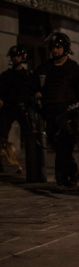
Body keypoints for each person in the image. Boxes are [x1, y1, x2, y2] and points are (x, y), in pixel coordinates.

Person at [33, 32, 79, 190]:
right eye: (53, 47)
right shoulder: (45, 68)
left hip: (69, 114)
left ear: (66, 49)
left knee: (64, 145)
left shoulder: (74, 69)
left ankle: (64, 176)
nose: (55, 50)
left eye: (58, 47)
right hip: (50, 114)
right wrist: (36, 94)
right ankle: (70, 172)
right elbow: (31, 86)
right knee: (55, 144)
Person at [0, 45, 34, 173]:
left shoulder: (28, 75)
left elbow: (32, 91)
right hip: (7, 108)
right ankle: (2, 164)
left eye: (18, 56)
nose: (15, 59)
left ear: (23, 58)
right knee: (2, 136)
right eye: (13, 57)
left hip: (22, 107)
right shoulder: (5, 76)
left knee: (30, 134)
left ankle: (32, 164)